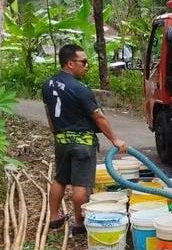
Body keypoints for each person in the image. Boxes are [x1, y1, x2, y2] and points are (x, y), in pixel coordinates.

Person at [42, 44, 127, 235]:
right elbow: (99, 117)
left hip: (62, 140)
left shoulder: (48, 84)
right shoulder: (80, 88)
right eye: (84, 62)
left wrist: (56, 133)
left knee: (60, 179)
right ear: (70, 63)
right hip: (82, 143)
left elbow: (49, 113)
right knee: (80, 185)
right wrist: (115, 140)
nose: (87, 66)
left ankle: (54, 217)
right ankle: (80, 223)